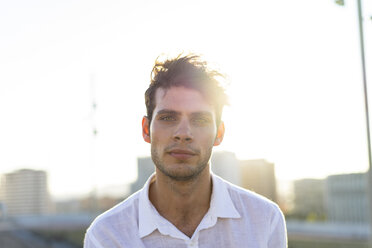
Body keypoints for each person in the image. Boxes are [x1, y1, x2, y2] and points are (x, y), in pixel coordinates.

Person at [84, 54, 287, 248]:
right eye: (168, 118)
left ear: (219, 133)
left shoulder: (265, 219)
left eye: (200, 120)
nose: (183, 133)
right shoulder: (106, 235)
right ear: (146, 130)